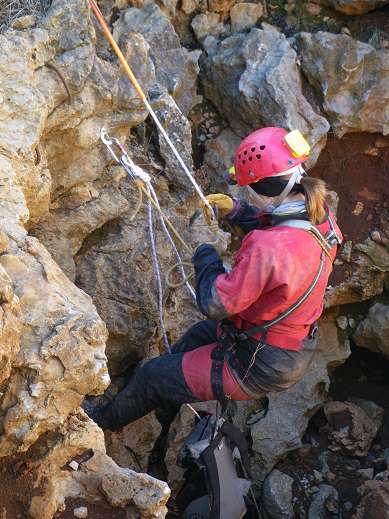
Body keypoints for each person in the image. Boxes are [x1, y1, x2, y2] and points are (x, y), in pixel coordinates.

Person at [83, 127, 342, 431]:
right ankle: (159, 395)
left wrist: (205, 250)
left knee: (152, 375)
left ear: (263, 188)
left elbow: (215, 302)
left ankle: (101, 421)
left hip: (257, 363)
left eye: (248, 190)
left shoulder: (266, 246)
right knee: (194, 339)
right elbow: (283, 232)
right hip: (277, 343)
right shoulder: (319, 214)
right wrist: (237, 211)